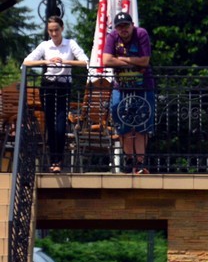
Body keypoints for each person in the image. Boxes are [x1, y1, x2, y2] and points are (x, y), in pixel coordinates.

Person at [23, 15, 89, 173]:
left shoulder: (70, 44)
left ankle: (58, 159)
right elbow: (26, 62)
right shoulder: (45, 45)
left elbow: (85, 61)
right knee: (50, 124)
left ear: (62, 29)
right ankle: (54, 161)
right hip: (48, 86)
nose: (53, 33)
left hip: (64, 86)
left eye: (56, 30)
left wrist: (65, 62)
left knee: (60, 125)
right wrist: (45, 62)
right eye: (50, 30)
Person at [102, 12, 154, 174]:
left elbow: (145, 60)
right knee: (121, 121)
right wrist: (132, 62)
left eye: (126, 25)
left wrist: (121, 59)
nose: (123, 29)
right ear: (116, 28)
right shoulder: (112, 37)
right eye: (119, 27)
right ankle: (129, 158)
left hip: (143, 86)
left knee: (141, 125)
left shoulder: (141, 34)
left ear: (132, 25)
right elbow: (106, 60)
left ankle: (140, 162)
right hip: (121, 87)